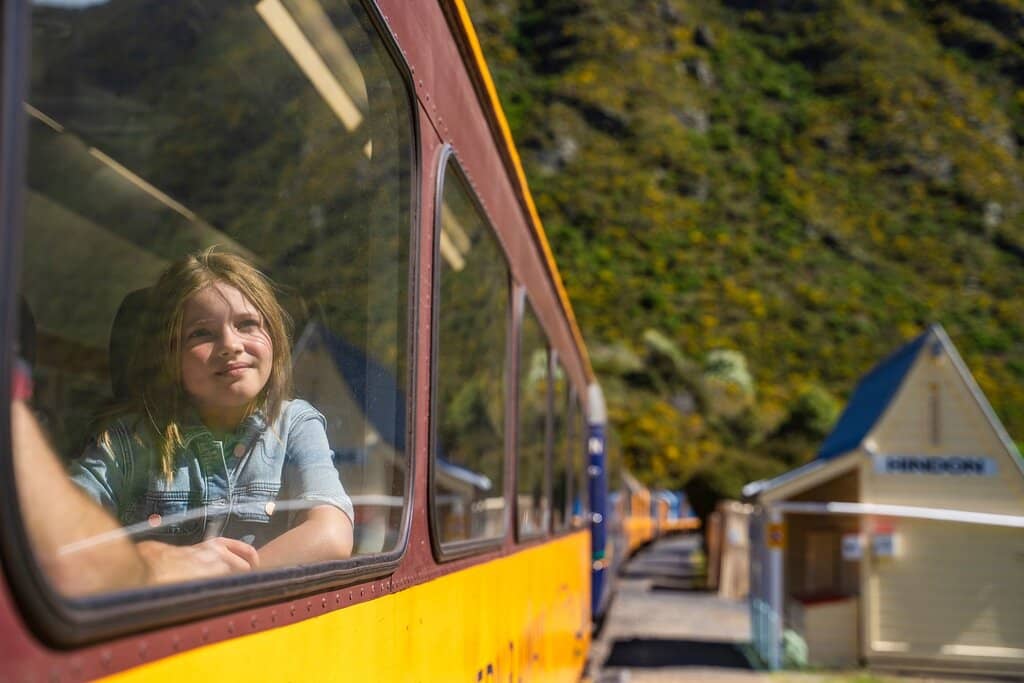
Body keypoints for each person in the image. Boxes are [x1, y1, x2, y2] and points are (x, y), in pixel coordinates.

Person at [70, 248, 353, 585]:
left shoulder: (293, 423)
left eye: (247, 324)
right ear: (170, 356)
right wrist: (153, 561)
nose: (230, 344)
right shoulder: (129, 440)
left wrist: (225, 582)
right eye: (202, 333)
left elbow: (332, 532)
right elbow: (61, 530)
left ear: (275, 339)